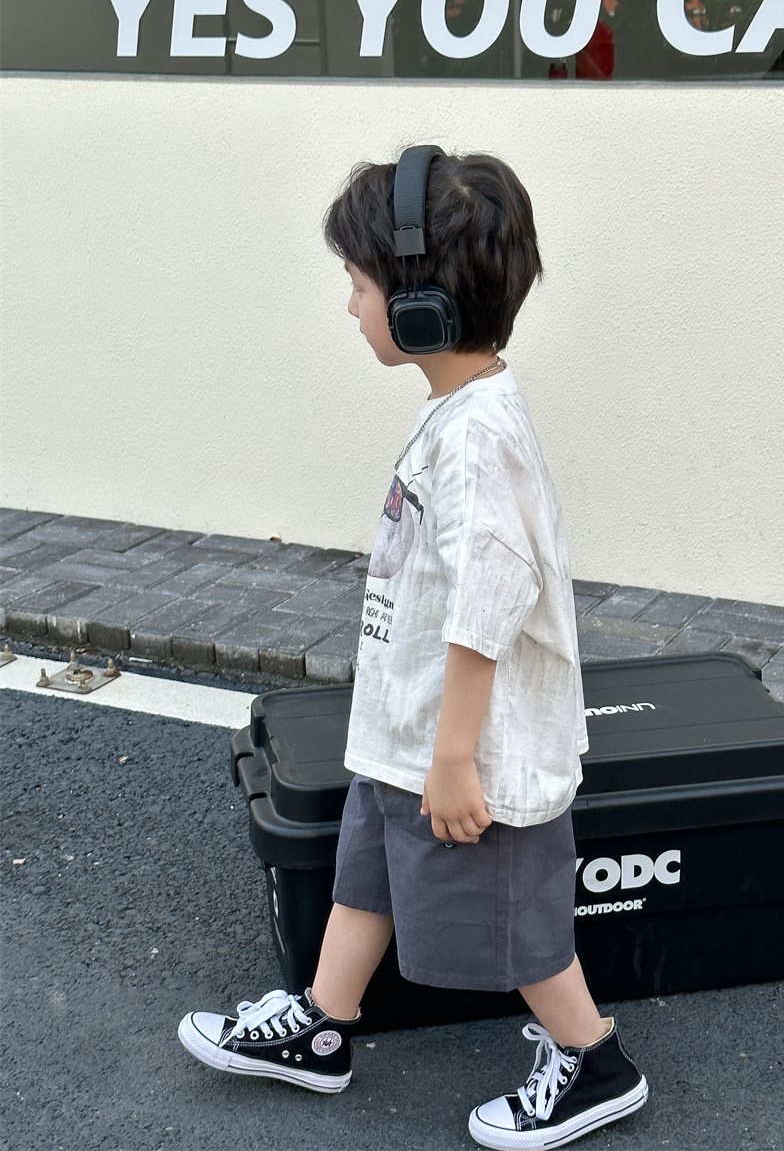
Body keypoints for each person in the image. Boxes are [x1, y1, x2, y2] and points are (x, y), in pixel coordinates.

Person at [178, 147, 648, 1150]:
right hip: (410, 734)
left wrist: (453, 759)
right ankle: (323, 1024)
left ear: (421, 305)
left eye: (358, 284)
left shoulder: (477, 439)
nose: (349, 305)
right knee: (368, 875)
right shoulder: (456, 415)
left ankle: (595, 1063)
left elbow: (487, 602)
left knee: (518, 922)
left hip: (467, 754)